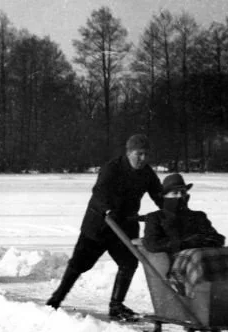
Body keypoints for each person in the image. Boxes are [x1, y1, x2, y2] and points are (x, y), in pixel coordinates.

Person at [46, 134, 163, 320]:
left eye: (146, 154)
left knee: (129, 263)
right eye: (139, 154)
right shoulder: (112, 168)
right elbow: (99, 192)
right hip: (99, 226)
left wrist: (173, 209)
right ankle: (56, 299)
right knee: (79, 264)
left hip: (124, 228)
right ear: (129, 152)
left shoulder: (147, 173)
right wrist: (108, 209)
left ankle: (116, 306)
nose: (143, 159)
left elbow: (159, 196)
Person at [142, 173, 228, 295]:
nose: (180, 196)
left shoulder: (198, 216)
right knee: (197, 256)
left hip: (203, 257)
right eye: (175, 193)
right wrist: (184, 244)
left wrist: (203, 241)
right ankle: (198, 296)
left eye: (183, 192)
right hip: (176, 263)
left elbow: (217, 238)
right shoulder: (156, 218)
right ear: (165, 196)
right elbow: (152, 244)